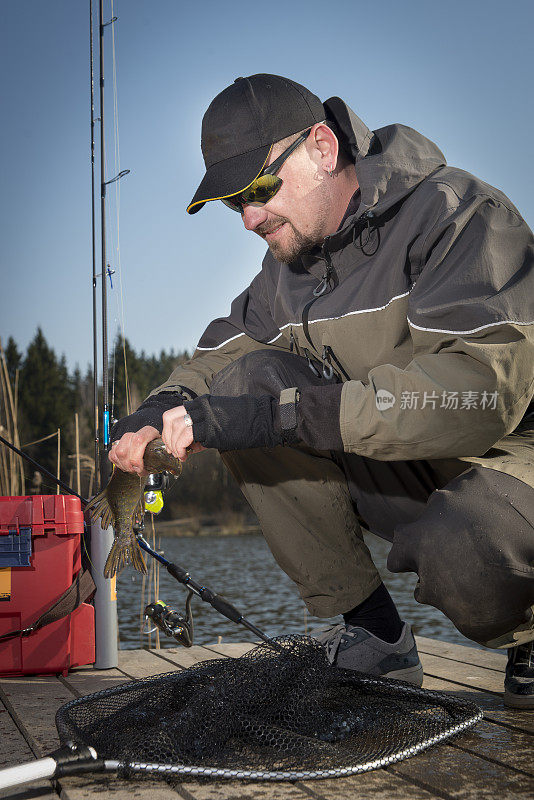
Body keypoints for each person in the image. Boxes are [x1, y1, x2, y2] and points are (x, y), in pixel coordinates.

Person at [110, 74, 534, 707]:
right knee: (243, 385)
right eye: (235, 204)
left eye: (257, 190)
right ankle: (373, 632)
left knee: (467, 546)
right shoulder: (283, 273)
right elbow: (218, 357)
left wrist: (284, 417)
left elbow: (477, 393)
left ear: (323, 149)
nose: (249, 219)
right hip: (408, 465)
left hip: (509, 466)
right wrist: (152, 415)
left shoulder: (459, 214)